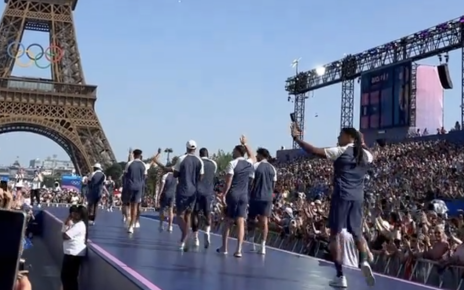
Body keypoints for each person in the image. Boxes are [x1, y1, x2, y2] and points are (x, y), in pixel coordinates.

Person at [290, 123, 375, 288]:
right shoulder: (366, 154)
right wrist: (362, 142)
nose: (337, 138)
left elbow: (313, 150)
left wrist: (296, 139)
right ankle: (364, 260)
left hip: (341, 195)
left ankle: (340, 275)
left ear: (349, 137)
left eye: (340, 135)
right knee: (357, 233)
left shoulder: (341, 151)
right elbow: (369, 153)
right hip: (358, 198)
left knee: (334, 235)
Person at [154, 140, 204, 251]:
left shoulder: (181, 159)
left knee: (179, 215)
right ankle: (185, 238)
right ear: (195, 149)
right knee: (188, 215)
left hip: (183, 190)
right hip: (194, 191)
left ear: (186, 148)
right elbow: (201, 177)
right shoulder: (199, 161)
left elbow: (175, 174)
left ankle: (185, 234)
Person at [217, 135, 256, 257]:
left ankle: (224, 247)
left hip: (233, 194)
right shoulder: (249, 163)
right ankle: (238, 250)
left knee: (228, 221)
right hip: (244, 196)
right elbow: (253, 156)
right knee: (240, 222)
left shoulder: (232, 163)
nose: (232, 152)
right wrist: (246, 143)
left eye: (234, 150)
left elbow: (228, 182)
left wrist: (223, 195)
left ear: (238, 152)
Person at [248, 147, 277, 255]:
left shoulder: (255, 166)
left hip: (255, 197)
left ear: (260, 155)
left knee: (251, 220)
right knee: (264, 222)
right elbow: (273, 185)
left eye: (257, 155)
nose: (256, 156)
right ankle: (263, 246)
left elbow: (251, 183)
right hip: (267, 198)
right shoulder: (273, 169)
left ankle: (252, 244)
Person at [191, 148, 217, 248]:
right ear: (208, 154)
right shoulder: (214, 163)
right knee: (208, 213)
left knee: (195, 214)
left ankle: (196, 238)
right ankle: (207, 232)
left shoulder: (197, 162)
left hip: (197, 190)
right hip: (208, 191)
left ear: (200, 154)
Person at [61, 205, 88, 290]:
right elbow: (63, 231)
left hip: (74, 255)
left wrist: (65, 229)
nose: (75, 214)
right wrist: (67, 221)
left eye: (78, 213)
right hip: (70, 253)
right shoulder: (75, 224)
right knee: (67, 278)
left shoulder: (79, 225)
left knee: (69, 278)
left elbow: (65, 236)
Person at [124, 149, 148, 233]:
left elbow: (125, 176)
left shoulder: (129, 164)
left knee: (129, 205)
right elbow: (145, 177)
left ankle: (128, 220)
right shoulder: (143, 165)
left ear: (133, 155)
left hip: (130, 186)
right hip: (139, 187)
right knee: (135, 206)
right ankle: (132, 225)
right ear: (140, 155)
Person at [158, 162, 177, 232]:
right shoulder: (176, 177)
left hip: (165, 194)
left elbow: (162, 187)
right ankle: (170, 226)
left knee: (162, 209)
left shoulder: (165, 176)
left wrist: (159, 195)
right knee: (171, 210)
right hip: (172, 194)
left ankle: (161, 224)